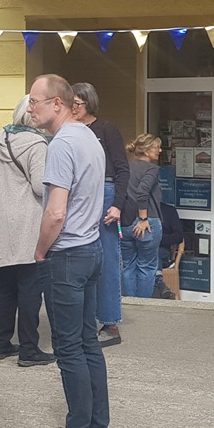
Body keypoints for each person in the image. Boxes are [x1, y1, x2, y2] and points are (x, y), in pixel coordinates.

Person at [27, 74, 110, 428]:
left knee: (69, 348)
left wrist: (40, 251)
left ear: (57, 103)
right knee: (88, 343)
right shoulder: (89, 137)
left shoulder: (61, 144)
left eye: (35, 101)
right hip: (91, 248)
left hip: (67, 253)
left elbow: (56, 212)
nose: (30, 108)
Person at [0, 95, 55, 367]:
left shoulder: (1, 137)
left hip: (1, 222)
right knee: (29, 289)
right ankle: (28, 349)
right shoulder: (37, 144)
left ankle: (0, 344)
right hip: (27, 223)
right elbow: (40, 186)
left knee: (6, 286)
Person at [70, 82, 130, 347]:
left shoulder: (106, 129)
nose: (73, 108)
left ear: (89, 103)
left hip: (105, 193)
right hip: (78, 192)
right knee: (80, 256)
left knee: (107, 257)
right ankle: (84, 320)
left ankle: (110, 321)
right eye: (70, 103)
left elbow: (122, 169)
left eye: (77, 104)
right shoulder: (70, 131)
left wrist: (117, 204)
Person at [122, 134, 162, 298]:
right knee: (147, 266)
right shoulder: (151, 169)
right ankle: (144, 305)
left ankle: (131, 303)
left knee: (128, 265)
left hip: (125, 222)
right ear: (146, 151)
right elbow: (142, 191)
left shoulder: (125, 167)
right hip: (146, 222)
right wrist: (143, 219)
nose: (160, 150)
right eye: (157, 147)